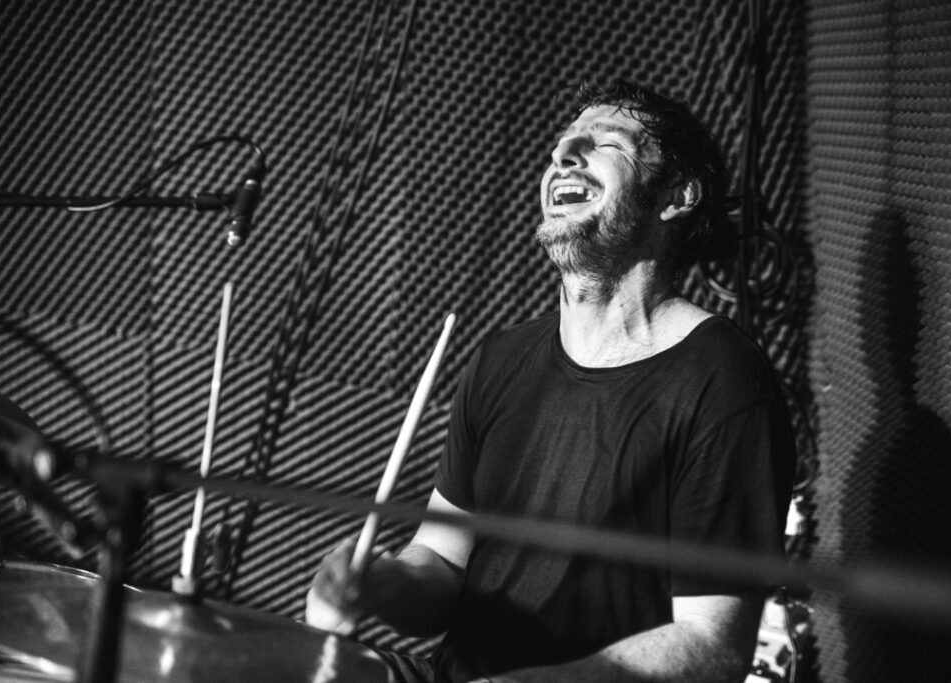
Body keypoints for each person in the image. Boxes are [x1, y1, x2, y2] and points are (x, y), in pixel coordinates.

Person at [305, 79, 796, 683]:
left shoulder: (723, 380)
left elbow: (710, 646)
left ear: (676, 194)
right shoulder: (500, 359)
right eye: (562, 145)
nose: (564, 155)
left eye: (604, 143)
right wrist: (381, 584)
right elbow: (441, 560)